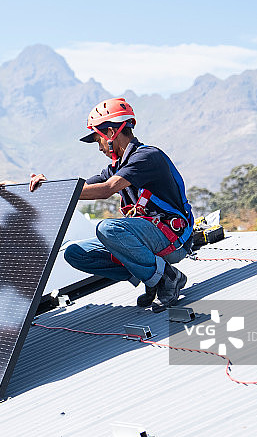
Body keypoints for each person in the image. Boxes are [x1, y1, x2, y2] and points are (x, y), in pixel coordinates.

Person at [30, 97, 193, 313]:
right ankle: (153, 278)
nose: (99, 148)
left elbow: (107, 189)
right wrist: (47, 187)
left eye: (98, 140)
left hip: (173, 239)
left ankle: (166, 277)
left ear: (110, 133)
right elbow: (82, 188)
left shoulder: (147, 157)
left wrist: (57, 192)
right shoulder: (116, 167)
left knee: (107, 228)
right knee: (75, 253)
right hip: (148, 239)